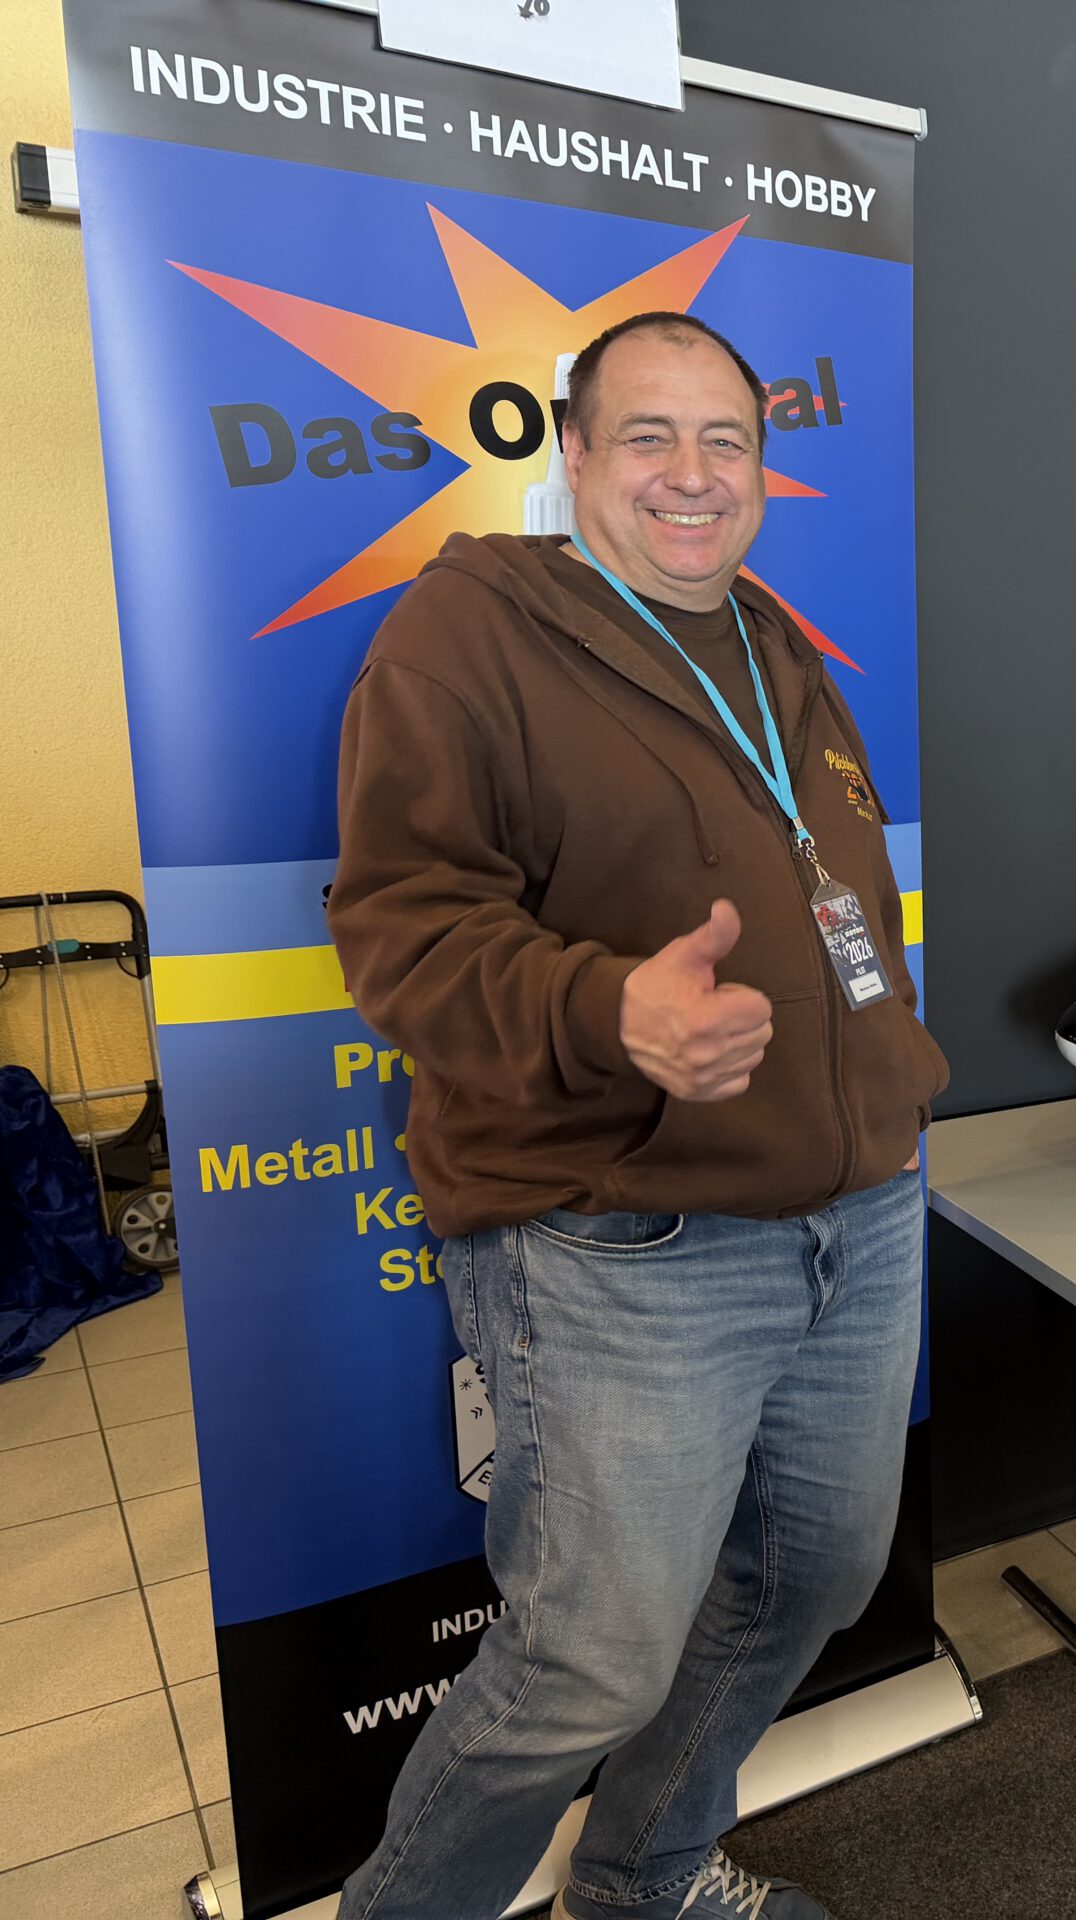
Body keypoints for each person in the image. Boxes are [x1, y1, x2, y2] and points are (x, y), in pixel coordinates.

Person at [328, 310, 946, 1920]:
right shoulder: (465, 636)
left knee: (815, 1577)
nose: (692, 473)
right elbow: (399, 931)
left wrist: (890, 1081)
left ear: (762, 468)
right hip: (627, 1242)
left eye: (725, 441)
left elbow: (832, 898)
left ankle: (644, 1878)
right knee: (587, 1662)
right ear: (576, 454)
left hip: (858, 1216)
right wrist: (610, 1011)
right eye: (649, 436)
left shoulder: (771, 640)